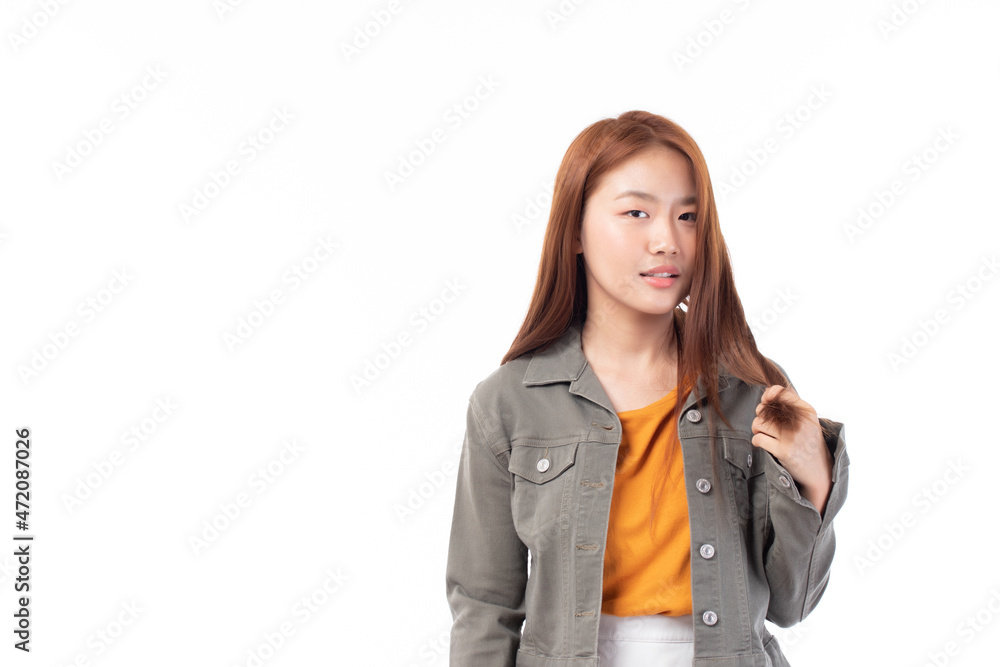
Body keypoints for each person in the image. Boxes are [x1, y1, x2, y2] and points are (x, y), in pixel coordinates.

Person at [445, 110, 850, 666]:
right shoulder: (507, 402)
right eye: (636, 212)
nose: (667, 239)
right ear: (575, 232)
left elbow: (792, 603)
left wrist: (813, 476)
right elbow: (483, 605)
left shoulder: (754, 391)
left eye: (688, 216)